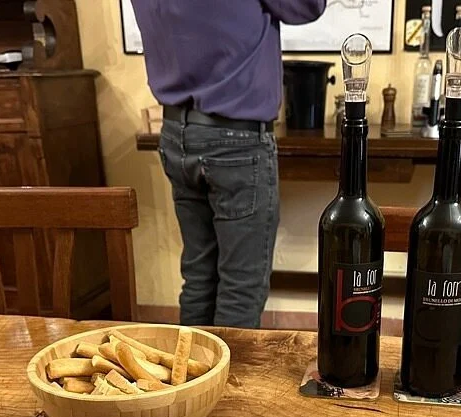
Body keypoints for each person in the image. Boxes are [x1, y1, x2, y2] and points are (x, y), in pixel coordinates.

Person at [132, 0, 327, 328]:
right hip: (236, 140)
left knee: (199, 277)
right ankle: (229, 364)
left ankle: (194, 362)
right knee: (241, 288)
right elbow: (308, 6)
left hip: (176, 133)